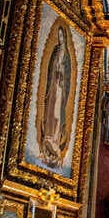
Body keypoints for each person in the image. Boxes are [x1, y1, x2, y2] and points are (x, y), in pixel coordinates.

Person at [40, 25, 71, 165]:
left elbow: (68, 74)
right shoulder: (55, 50)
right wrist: (55, 72)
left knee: (58, 113)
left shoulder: (67, 55)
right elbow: (50, 68)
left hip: (60, 88)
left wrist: (62, 75)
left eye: (62, 36)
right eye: (59, 36)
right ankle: (48, 136)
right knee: (51, 112)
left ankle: (55, 139)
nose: (60, 38)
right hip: (53, 86)